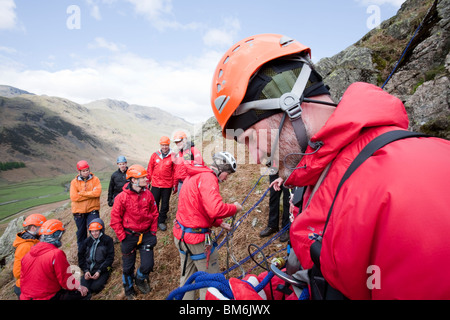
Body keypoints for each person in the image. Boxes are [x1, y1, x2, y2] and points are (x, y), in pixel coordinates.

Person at [209, 34, 450, 299]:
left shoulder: (412, 182)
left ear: (290, 105)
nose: (255, 158)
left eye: (250, 140)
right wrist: (272, 292)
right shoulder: (322, 178)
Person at [173, 151, 243, 300]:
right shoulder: (209, 178)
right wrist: (234, 208)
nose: (227, 178)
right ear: (221, 169)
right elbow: (215, 209)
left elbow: (197, 207)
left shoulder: (194, 175)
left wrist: (219, 223)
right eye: (227, 174)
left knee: (187, 278)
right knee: (211, 282)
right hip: (197, 240)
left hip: (181, 235)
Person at [110, 164, 158, 299]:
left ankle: (140, 278)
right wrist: (122, 237)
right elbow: (115, 219)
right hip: (129, 236)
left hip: (146, 234)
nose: (146, 179)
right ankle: (129, 290)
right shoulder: (121, 197)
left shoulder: (148, 194)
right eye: (142, 177)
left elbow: (154, 213)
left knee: (148, 264)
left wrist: (153, 232)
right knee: (127, 268)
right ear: (133, 180)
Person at [20, 219, 90, 300]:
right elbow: (66, 281)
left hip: (26, 297)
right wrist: (78, 286)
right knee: (84, 294)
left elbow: (22, 279)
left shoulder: (28, 255)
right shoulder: (56, 254)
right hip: (46, 296)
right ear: (56, 235)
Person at [12, 213, 47, 298]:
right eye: (42, 227)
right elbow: (17, 273)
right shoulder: (25, 246)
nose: (44, 230)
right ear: (33, 228)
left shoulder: (34, 241)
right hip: (26, 288)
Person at [70, 160, 102, 251]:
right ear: (79, 172)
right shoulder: (74, 182)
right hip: (79, 212)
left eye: (87, 170)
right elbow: (74, 197)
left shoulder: (95, 180)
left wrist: (82, 193)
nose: (86, 172)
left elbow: (97, 193)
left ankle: (97, 251)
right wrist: (90, 194)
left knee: (95, 230)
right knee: (81, 234)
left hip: (92, 210)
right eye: (83, 171)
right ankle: (82, 253)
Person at [78, 218, 114, 294]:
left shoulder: (108, 240)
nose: (94, 233)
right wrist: (85, 270)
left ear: (101, 230)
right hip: (89, 270)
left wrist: (99, 271)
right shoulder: (87, 241)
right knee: (83, 287)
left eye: (97, 231)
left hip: (102, 270)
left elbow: (110, 258)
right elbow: (81, 257)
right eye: (92, 231)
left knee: (95, 288)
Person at [147, 136, 175, 231]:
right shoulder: (154, 155)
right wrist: (148, 181)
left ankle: (161, 221)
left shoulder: (173, 156)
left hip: (167, 185)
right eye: (163, 145)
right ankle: (154, 220)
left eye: (166, 145)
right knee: (154, 203)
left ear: (169, 145)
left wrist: (174, 184)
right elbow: (150, 169)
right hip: (155, 184)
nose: (164, 147)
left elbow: (175, 171)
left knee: (165, 204)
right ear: (160, 145)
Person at [259, 173, 290, 242]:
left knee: (287, 199)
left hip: (288, 168)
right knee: (273, 197)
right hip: (275, 166)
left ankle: (286, 228)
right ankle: (272, 225)